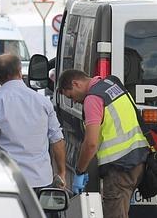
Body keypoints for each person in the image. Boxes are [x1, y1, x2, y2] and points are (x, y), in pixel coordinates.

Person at [57, 69, 149, 218]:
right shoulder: (111, 85)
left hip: (119, 167)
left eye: (71, 96)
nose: (73, 101)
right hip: (137, 161)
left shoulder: (93, 99)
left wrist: (80, 171)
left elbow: (91, 143)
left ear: (76, 83)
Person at [0, 54, 66, 195]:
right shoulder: (43, 102)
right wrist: (61, 172)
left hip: (9, 181)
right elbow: (57, 139)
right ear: (20, 71)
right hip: (41, 180)